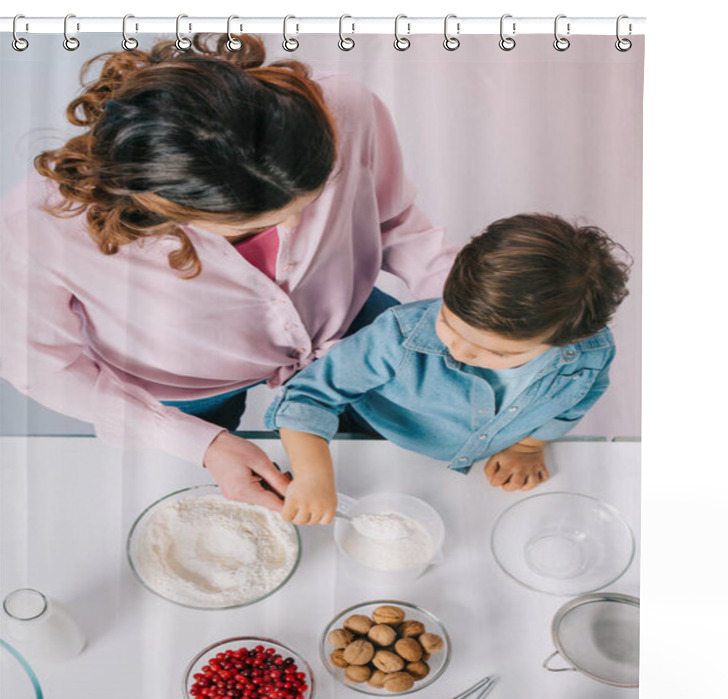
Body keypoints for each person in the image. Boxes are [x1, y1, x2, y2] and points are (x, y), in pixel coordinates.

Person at [0, 35, 455, 510]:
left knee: (403, 460)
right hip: (183, 385)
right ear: (164, 207)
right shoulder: (37, 225)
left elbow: (394, 219)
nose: (296, 224)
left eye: (316, 194)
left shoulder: (346, 108)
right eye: (259, 221)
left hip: (345, 323)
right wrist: (197, 443)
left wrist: (463, 305)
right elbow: (44, 367)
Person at [265, 213, 630, 526]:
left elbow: (575, 402)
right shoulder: (398, 335)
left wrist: (527, 447)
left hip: (466, 487)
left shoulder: (589, 354)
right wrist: (313, 476)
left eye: (495, 352)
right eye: (448, 323)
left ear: (567, 341)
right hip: (373, 439)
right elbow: (309, 397)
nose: (458, 349)